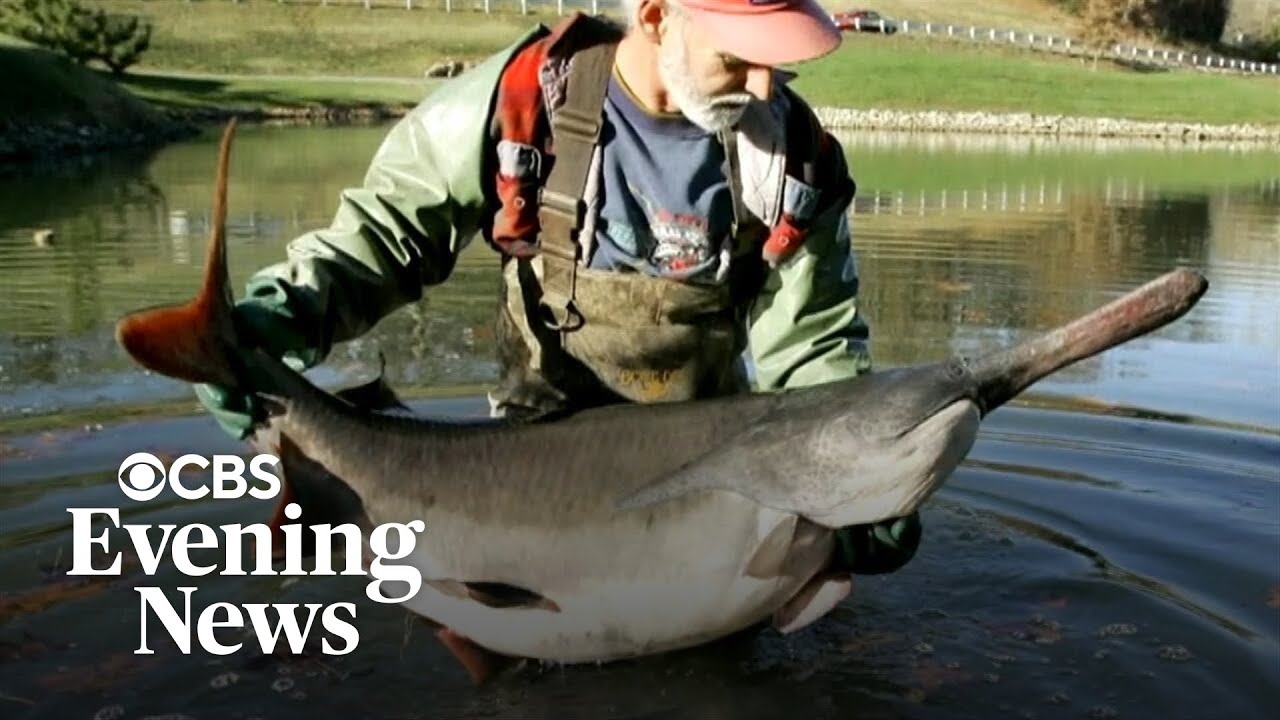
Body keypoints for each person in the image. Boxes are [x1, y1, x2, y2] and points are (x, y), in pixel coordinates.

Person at [197, 0, 922, 591]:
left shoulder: (793, 160)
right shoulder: (516, 107)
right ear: (657, 14)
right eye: (738, 57)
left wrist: (859, 478)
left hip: (703, 502)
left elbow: (811, 349)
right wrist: (281, 316)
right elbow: (383, 236)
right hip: (516, 492)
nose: (766, 87)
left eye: (779, 58)